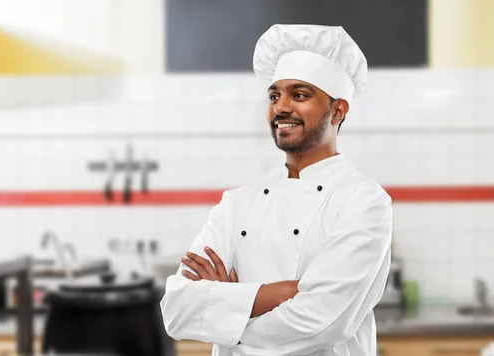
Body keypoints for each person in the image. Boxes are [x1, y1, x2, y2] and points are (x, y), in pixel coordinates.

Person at [160, 24, 392, 356]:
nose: (280, 108)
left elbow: (323, 323)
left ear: (338, 110)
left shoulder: (363, 201)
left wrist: (229, 316)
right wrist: (279, 293)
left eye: (299, 95)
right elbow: (176, 309)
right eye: (274, 96)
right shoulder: (237, 203)